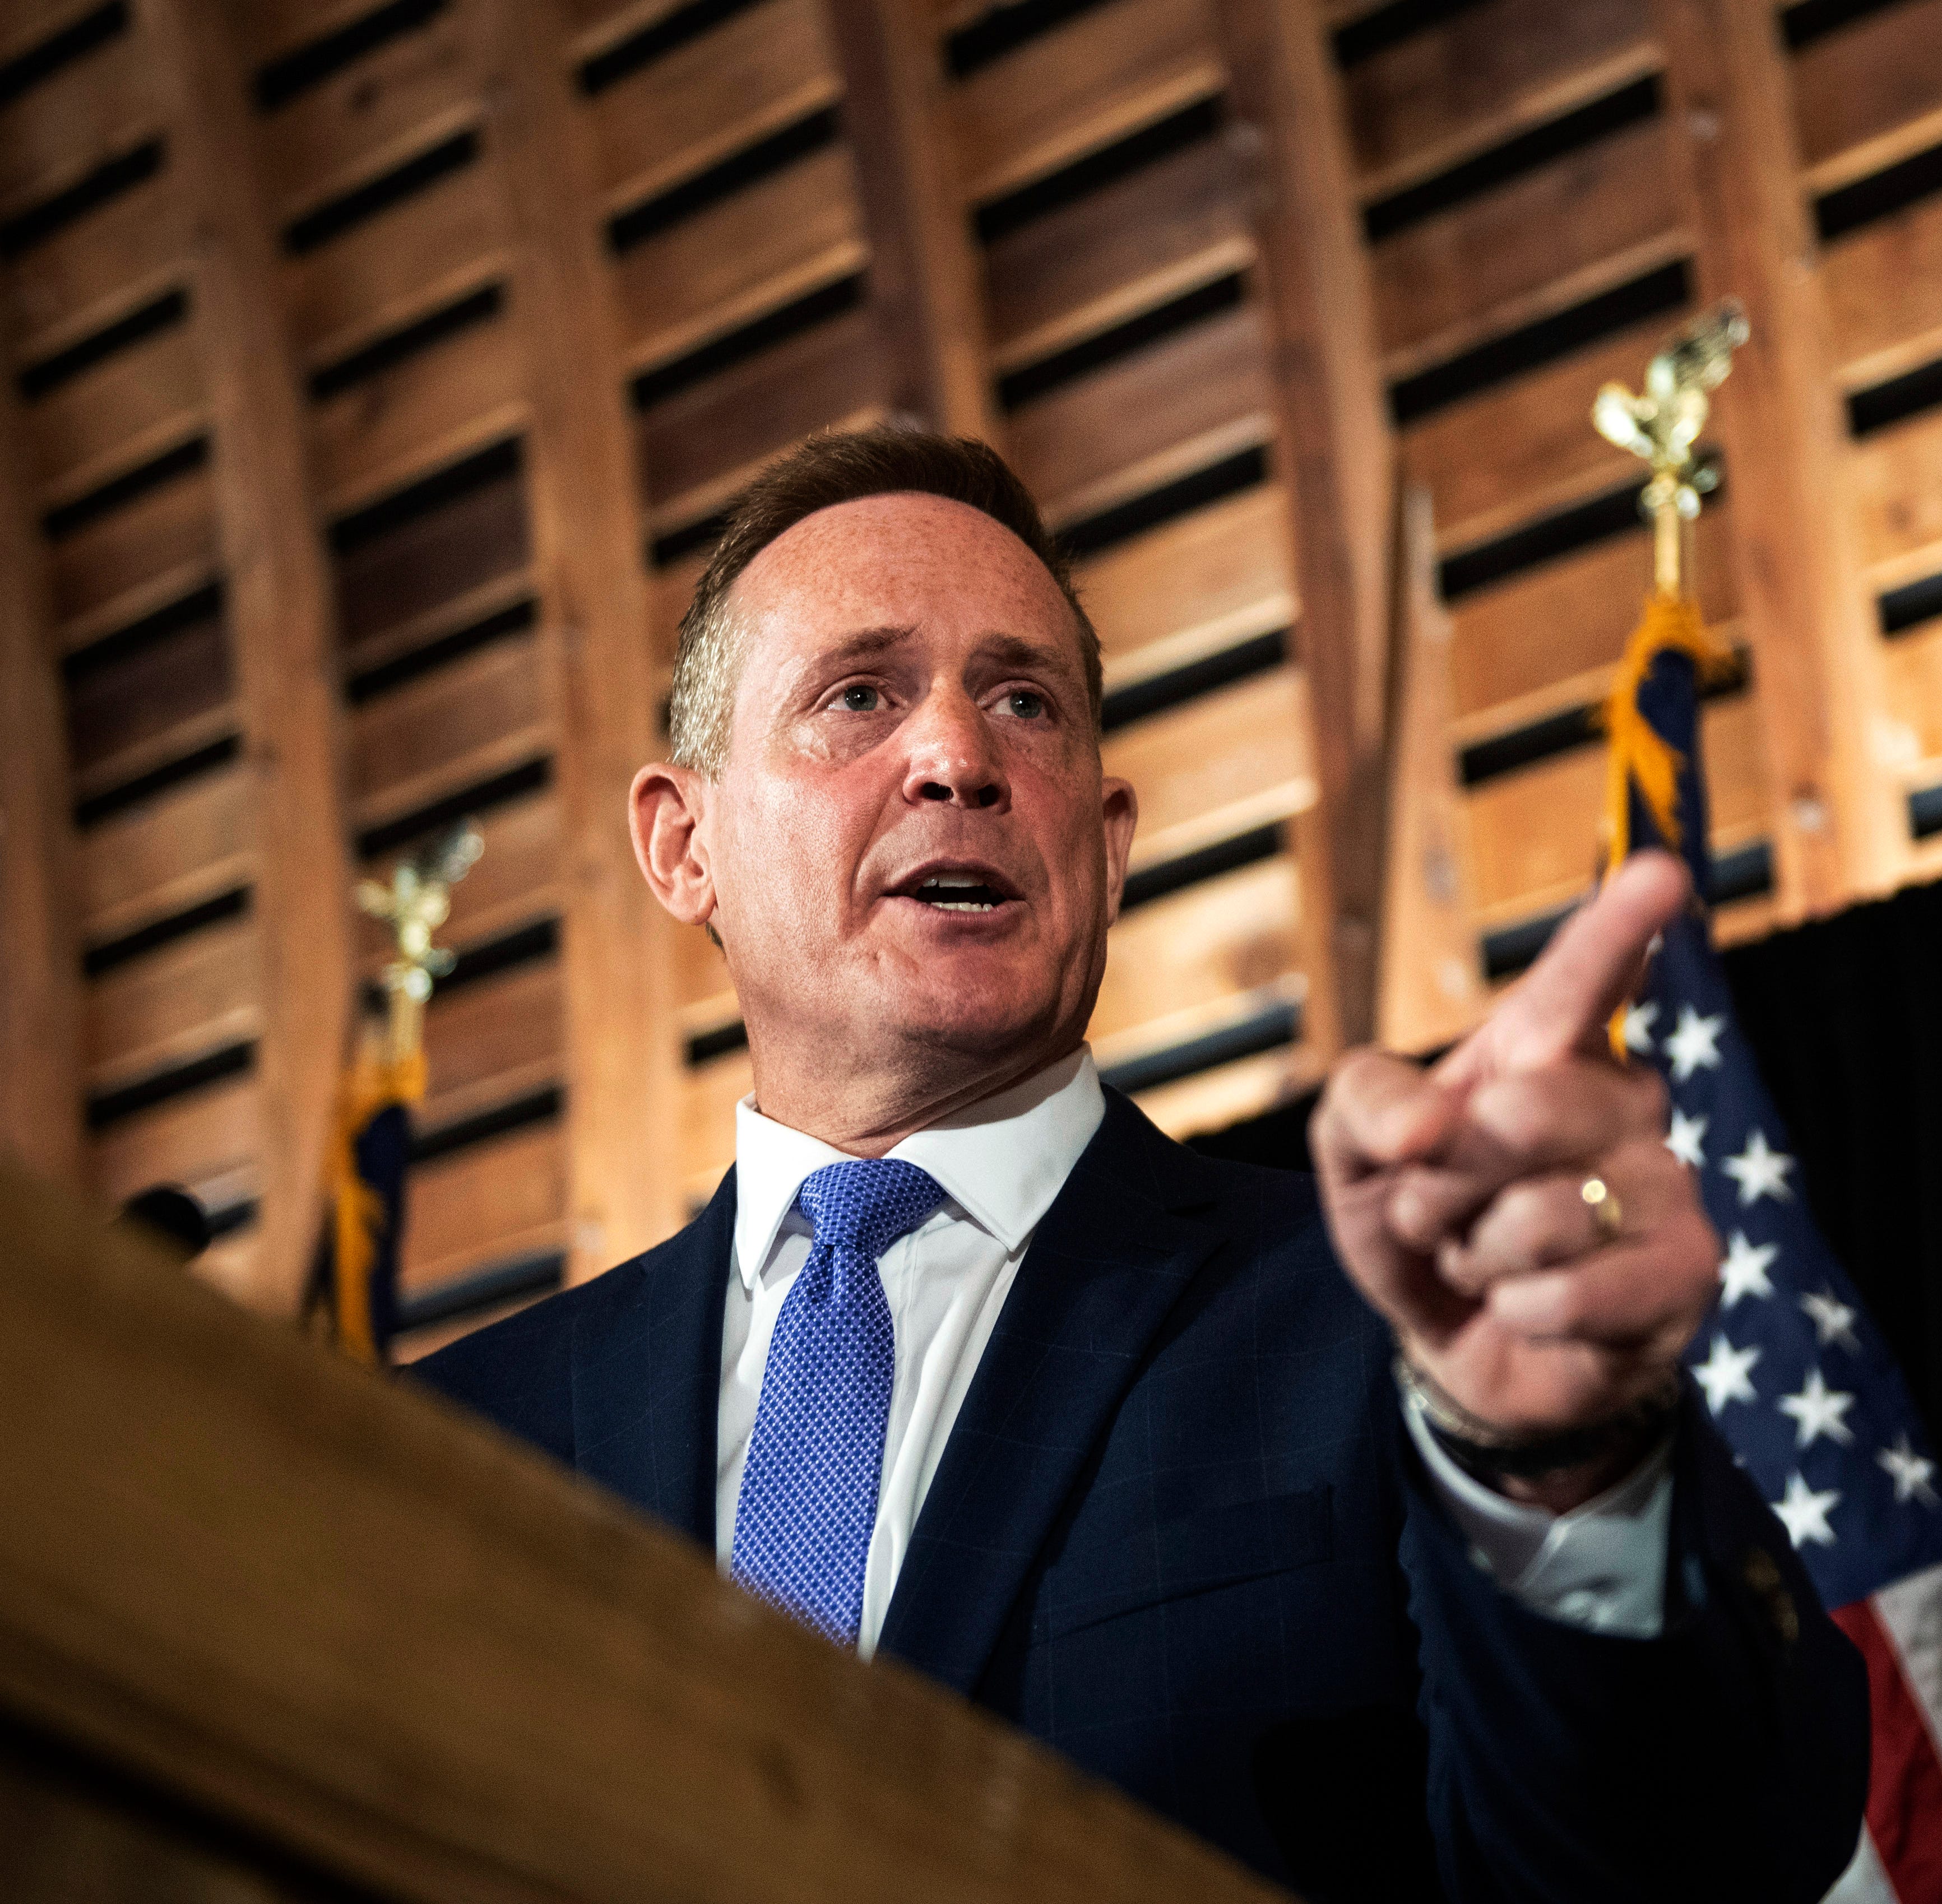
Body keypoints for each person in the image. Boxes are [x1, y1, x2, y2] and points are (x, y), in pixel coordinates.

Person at [414, 429, 1867, 1898]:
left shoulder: (1398, 1330)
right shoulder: (456, 1446)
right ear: (683, 845)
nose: (957, 757)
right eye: (858, 695)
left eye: (1025, 703)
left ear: (1106, 849)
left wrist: (1563, 1483)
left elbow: (1712, 1855)